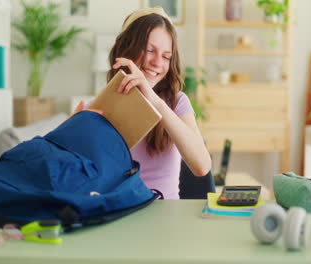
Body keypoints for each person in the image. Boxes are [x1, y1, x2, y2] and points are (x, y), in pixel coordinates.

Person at [73, 7, 211, 199]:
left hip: (164, 216)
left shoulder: (177, 103)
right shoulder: (96, 108)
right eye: (149, 50)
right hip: (118, 216)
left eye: (166, 56)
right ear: (127, 49)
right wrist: (69, 137)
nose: (157, 62)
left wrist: (155, 102)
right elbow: (74, 180)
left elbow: (201, 167)